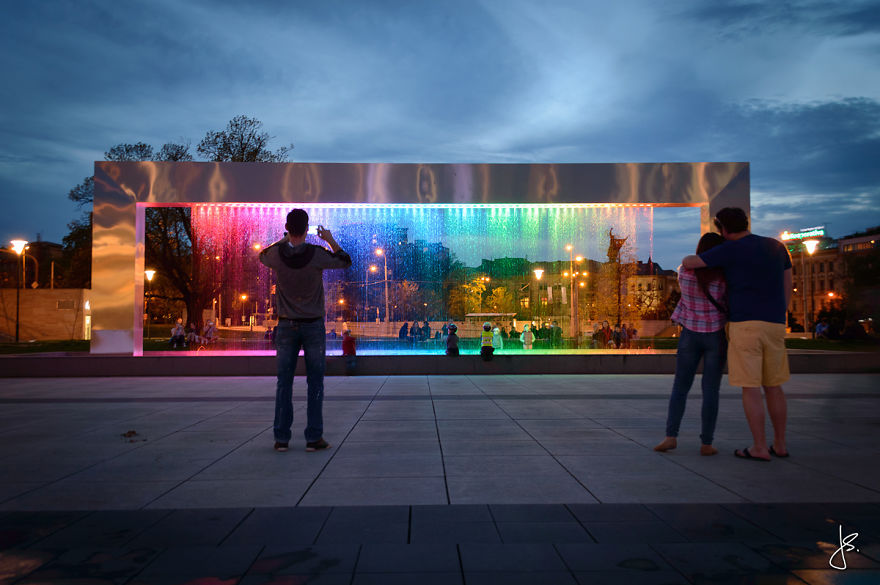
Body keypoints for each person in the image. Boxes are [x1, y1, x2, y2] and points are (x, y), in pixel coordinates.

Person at [683, 207, 793, 461]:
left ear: (723, 228)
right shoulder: (777, 247)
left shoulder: (729, 249)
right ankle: (781, 444)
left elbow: (691, 263)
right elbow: (787, 284)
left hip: (744, 324)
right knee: (774, 386)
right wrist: (779, 313)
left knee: (751, 388)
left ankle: (759, 447)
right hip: (775, 324)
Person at [259, 209, 352, 453]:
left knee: (284, 383)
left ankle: (281, 438)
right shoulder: (316, 254)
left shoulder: (277, 255)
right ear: (308, 228)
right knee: (315, 383)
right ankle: (313, 438)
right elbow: (345, 261)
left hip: (286, 325)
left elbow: (262, 256)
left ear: (288, 228)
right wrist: (329, 239)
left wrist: (282, 240)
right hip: (313, 326)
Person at [655, 233, 728, 457]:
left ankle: (670, 436)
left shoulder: (685, 274)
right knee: (711, 390)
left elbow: (686, 261)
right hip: (715, 336)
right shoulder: (725, 278)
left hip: (690, 335)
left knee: (680, 387)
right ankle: (706, 443)